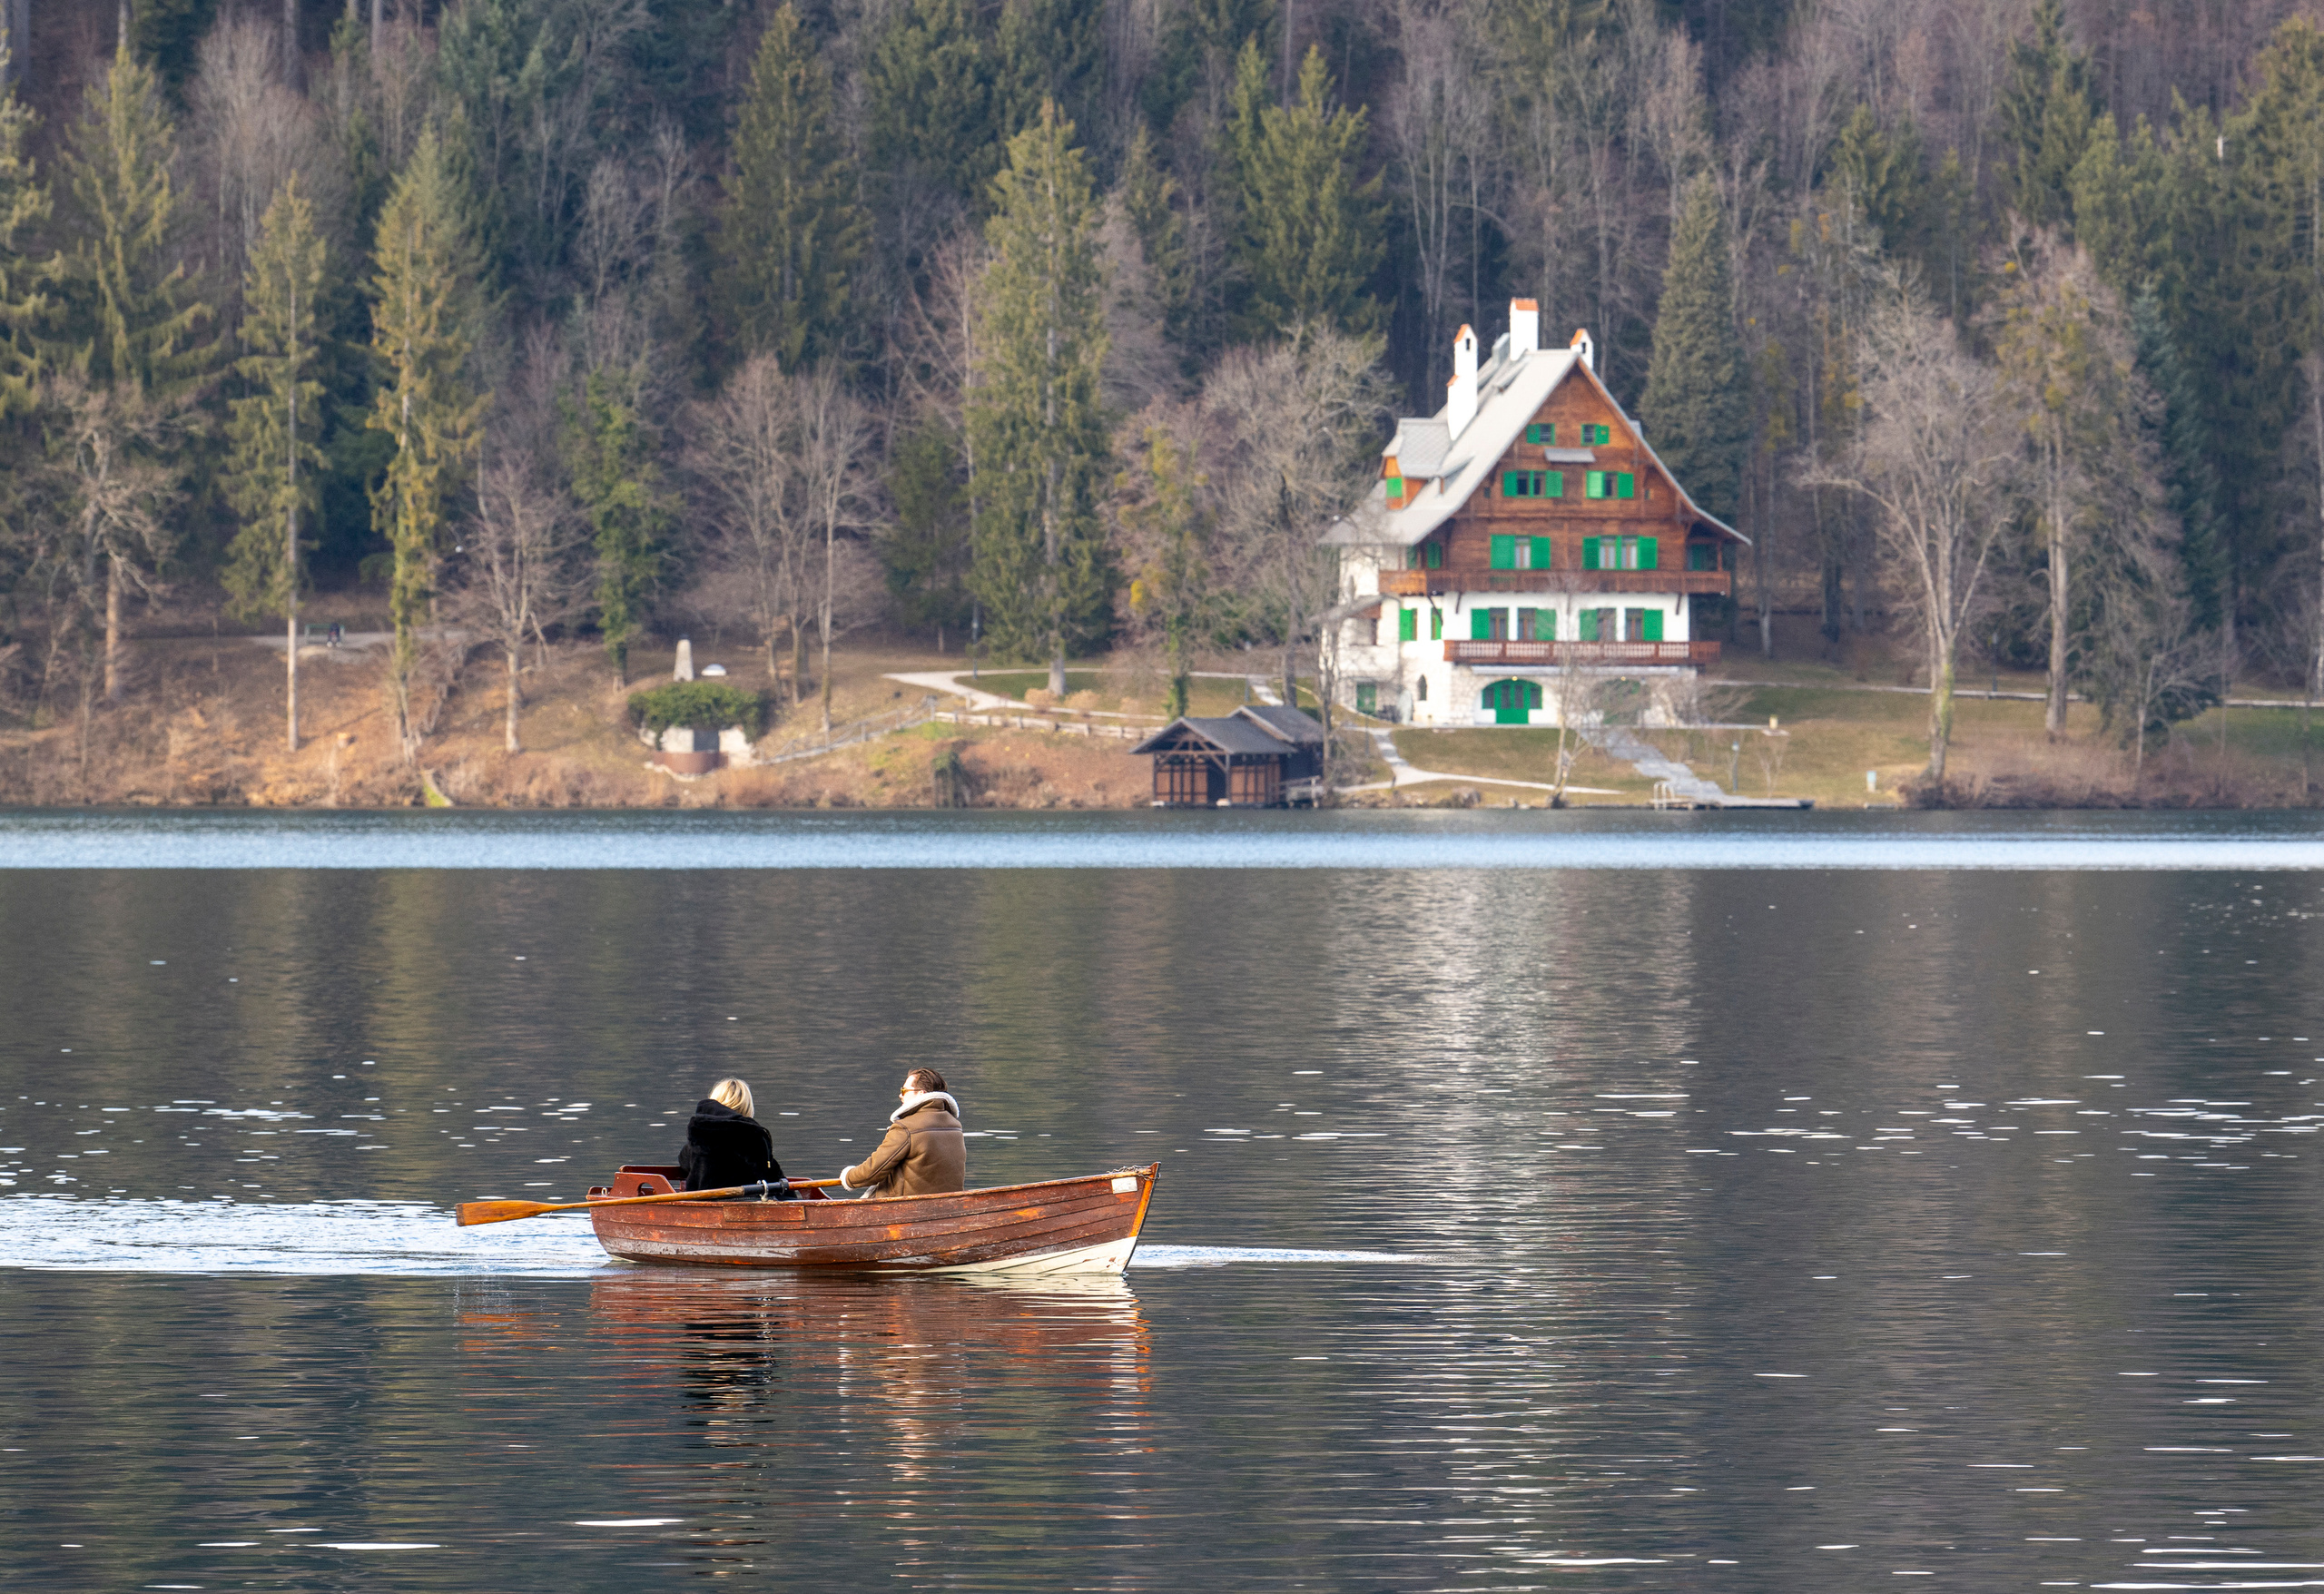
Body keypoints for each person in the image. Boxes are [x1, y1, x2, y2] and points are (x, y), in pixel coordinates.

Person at [838, 1068, 965, 1198]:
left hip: (903, 1206)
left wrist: (848, 1177)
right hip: (949, 1204)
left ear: (921, 1093)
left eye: (904, 1091)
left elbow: (872, 1172)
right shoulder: (955, 1126)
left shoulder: (906, 1128)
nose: (900, 1095)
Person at [679, 1077, 791, 1196]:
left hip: (701, 1203)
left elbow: (684, 1162)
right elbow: (768, 1175)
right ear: (747, 1106)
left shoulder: (698, 1134)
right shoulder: (753, 1135)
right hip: (744, 1202)